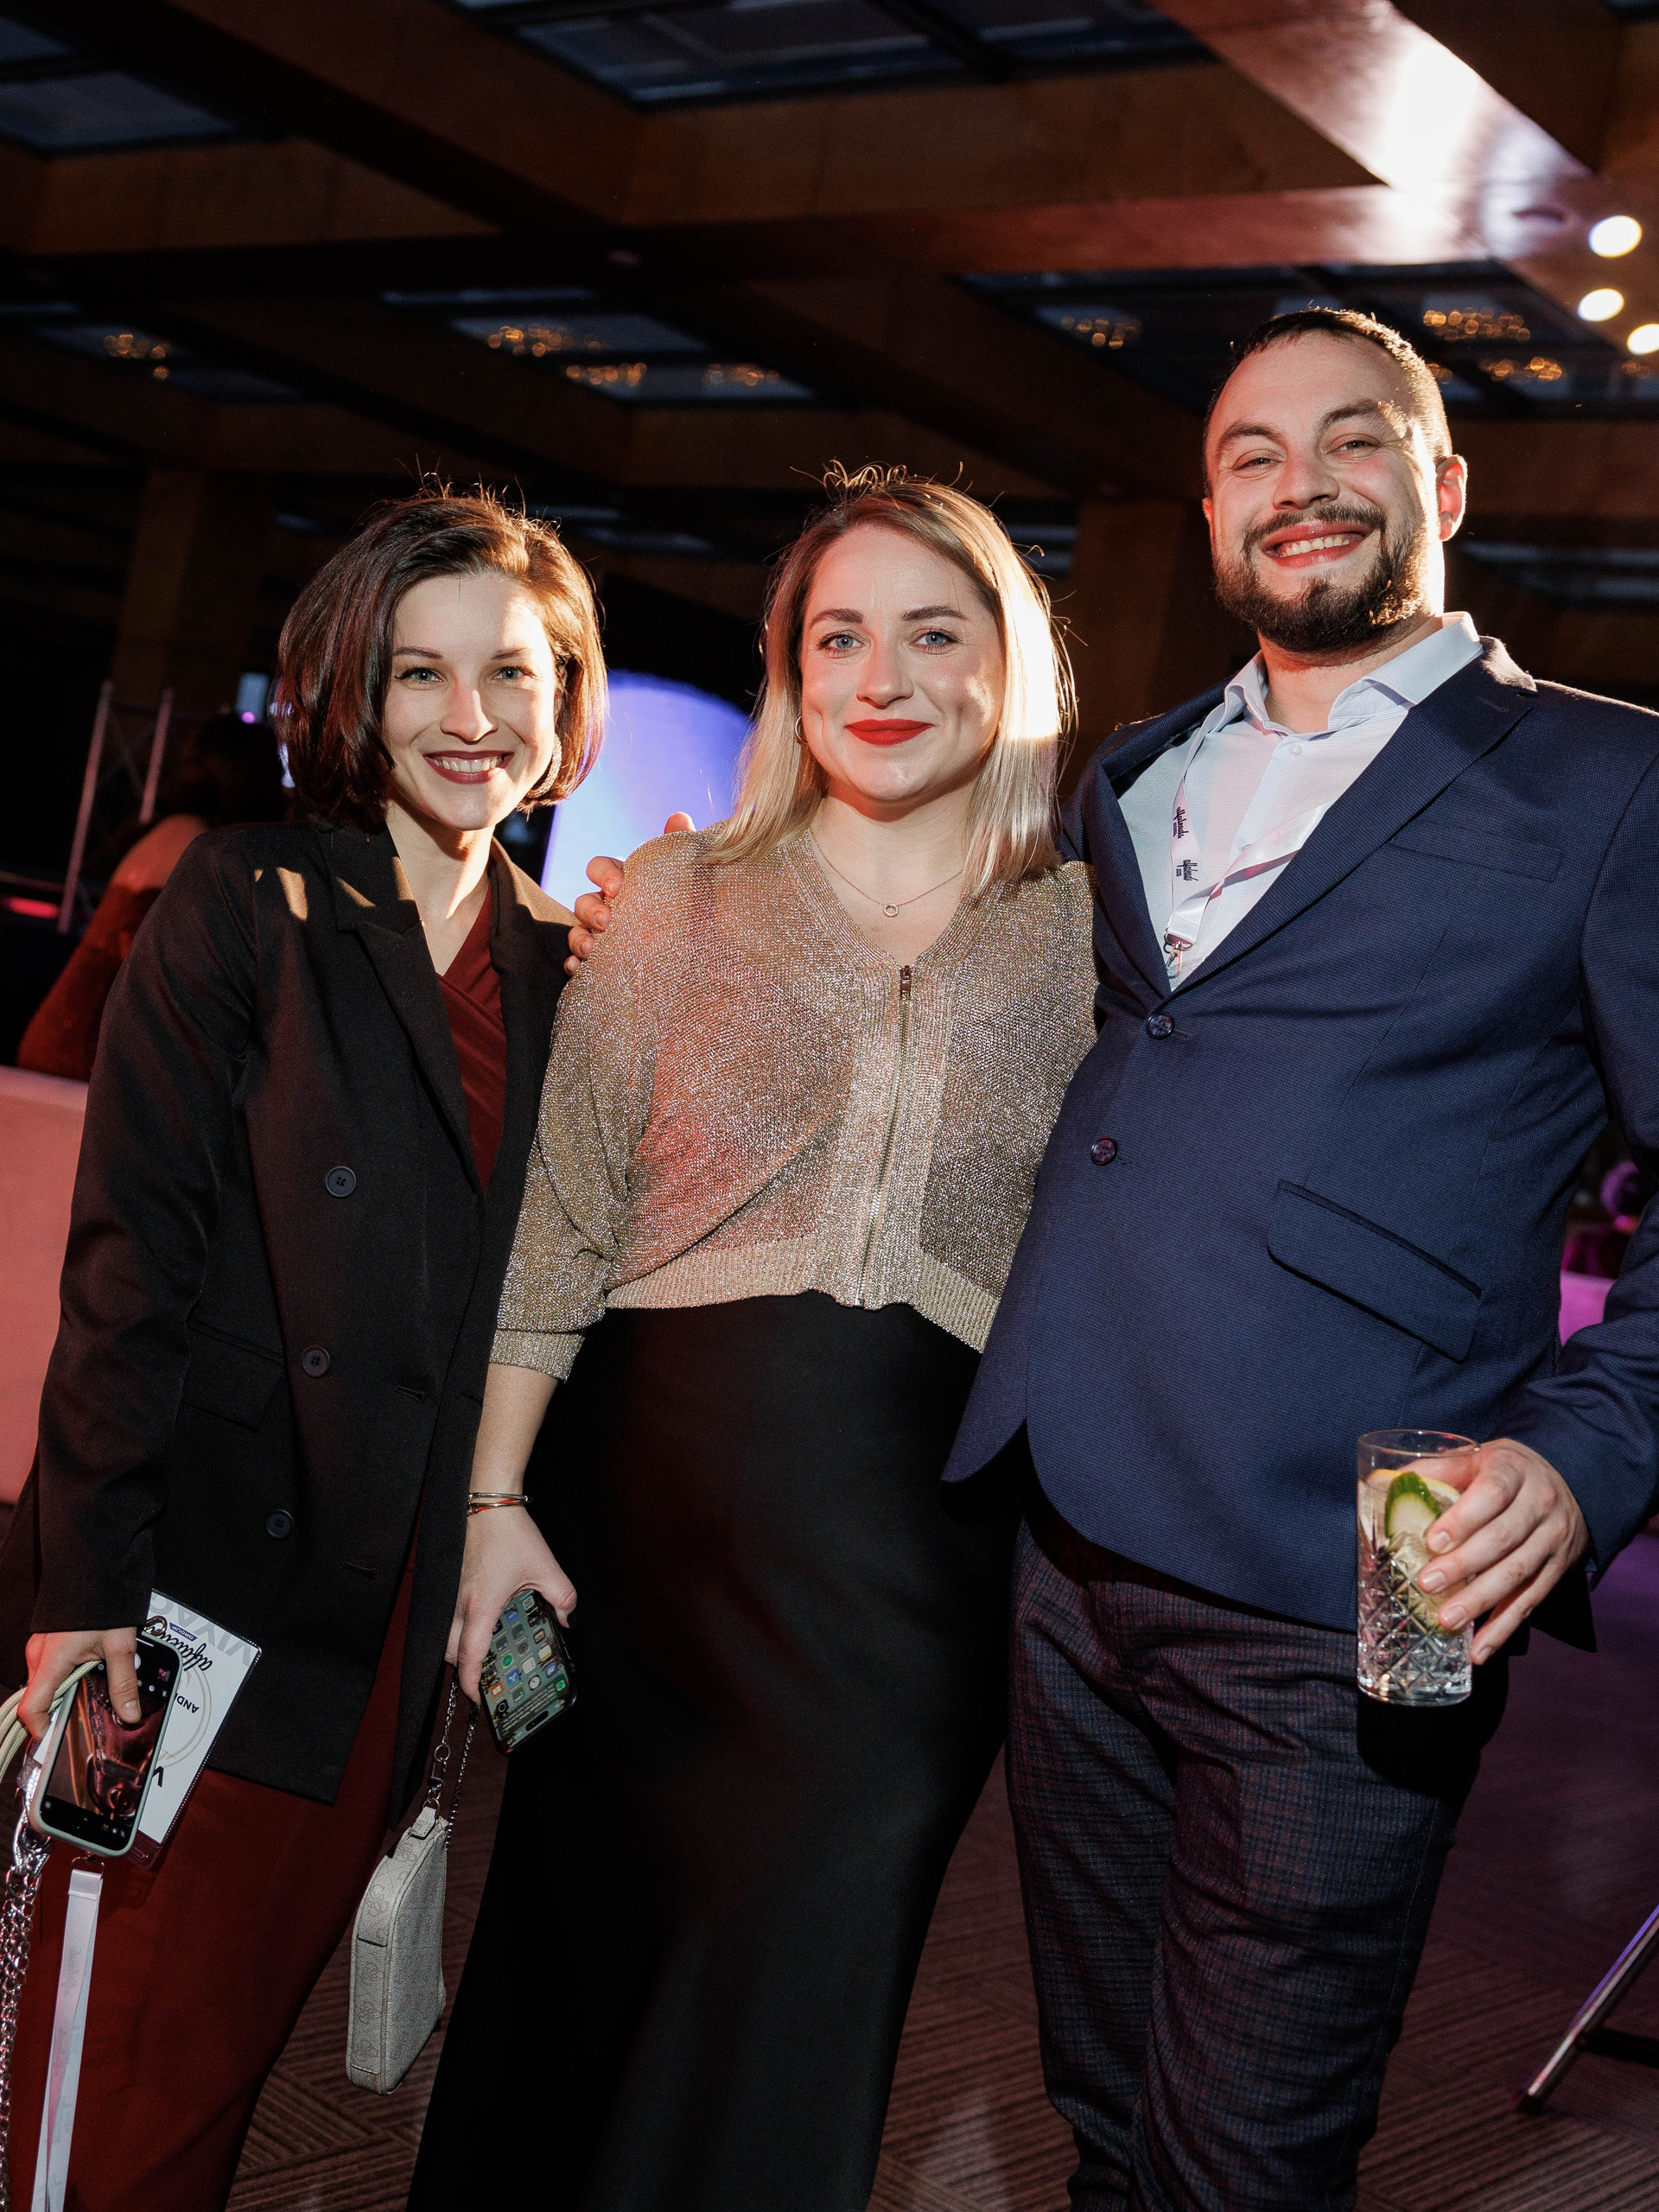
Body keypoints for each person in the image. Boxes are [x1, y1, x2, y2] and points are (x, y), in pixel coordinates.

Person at [935, 308, 1659, 2210]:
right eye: (1250, 453)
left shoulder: (1613, 781)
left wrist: (1588, 1455)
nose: (1300, 483)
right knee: (1104, 2113)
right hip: (1071, 1527)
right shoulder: (1131, 773)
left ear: (1447, 484)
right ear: (1207, 510)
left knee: (1250, 2159)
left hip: (1392, 1552)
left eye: (1355, 440)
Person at [407, 470, 1098, 2212]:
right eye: (837, 637)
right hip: (639, 1534)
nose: (883, 676)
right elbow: (565, 1217)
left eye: (931, 633)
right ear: (790, 671)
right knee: (575, 1981)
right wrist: (492, 1505)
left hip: (911, 1578)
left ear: (1007, 661)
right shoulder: (676, 898)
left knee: (800, 1995)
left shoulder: (1095, 944)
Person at [0, 488, 604, 2211]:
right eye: (421, 672)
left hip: (385, 1633)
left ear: (568, 695)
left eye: (515, 670)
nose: (472, 714)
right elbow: (129, 1275)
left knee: (216, 2071)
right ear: (352, 688)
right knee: (92, 2092)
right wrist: (82, 1600)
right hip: (184, 1600)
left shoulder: (571, 969)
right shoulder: (245, 896)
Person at [17, 711, 288, 1081]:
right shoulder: (196, 843)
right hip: (88, 1055)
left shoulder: (174, 830)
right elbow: (158, 972)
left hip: (72, 1041)